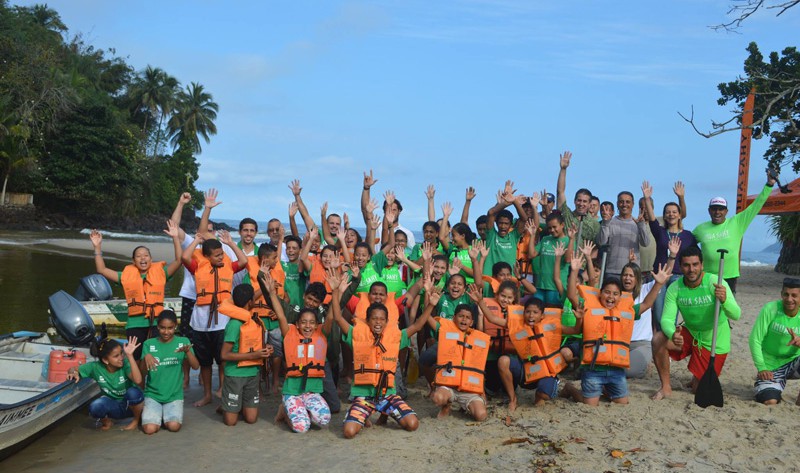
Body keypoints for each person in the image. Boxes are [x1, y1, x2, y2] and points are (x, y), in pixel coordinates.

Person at [330, 270, 430, 439]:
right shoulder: (357, 334)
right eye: (374, 319)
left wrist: (431, 304)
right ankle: (364, 414)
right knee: (348, 432)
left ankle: (384, 412)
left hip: (387, 394)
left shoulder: (395, 337)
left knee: (412, 425)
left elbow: (419, 325)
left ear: (386, 321)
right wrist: (335, 292)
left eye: (382, 319)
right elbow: (338, 318)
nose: (378, 322)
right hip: (364, 395)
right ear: (368, 320)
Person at [562, 254, 668, 406]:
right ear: (600, 293)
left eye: (615, 294)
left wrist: (658, 284)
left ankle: (604, 389)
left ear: (620, 297)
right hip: (593, 369)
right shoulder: (589, 307)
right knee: (590, 404)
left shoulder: (625, 311)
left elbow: (646, 304)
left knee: (622, 402)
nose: (611, 297)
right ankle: (570, 389)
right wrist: (574, 271)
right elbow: (572, 295)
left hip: (616, 371)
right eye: (607, 292)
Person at [89, 222, 182, 363]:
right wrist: (97, 247)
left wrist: (175, 237)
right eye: (139, 256)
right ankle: (138, 384)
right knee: (137, 359)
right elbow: (102, 269)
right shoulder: (125, 275)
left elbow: (179, 260)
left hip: (157, 323)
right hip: (135, 324)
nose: (143, 258)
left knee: (156, 358)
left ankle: (153, 384)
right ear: (133, 260)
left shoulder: (162, 273)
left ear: (151, 259)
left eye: (146, 255)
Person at [476, 290, 580, 411]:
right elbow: (492, 319)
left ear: (542, 315)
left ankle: (542, 394)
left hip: (546, 371)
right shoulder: (517, 325)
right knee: (503, 360)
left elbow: (575, 331)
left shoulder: (552, 326)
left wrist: (579, 319)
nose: (531, 315)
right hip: (525, 371)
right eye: (528, 312)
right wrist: (480, 301)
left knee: (543, 396)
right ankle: (513, 398)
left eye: (535, 312)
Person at [659, 246, 741, 394]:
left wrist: (724, 300)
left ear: (702, 265)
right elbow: (666, 319)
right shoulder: (675, 287)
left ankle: (697, 378)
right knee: (658, 339)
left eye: (695, 264)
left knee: (699, 390)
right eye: (686, 265)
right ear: (680, 267)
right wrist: (672, 334)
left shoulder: (715, 282)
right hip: (691, 334)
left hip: (714, 341)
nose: (691, 269)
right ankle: (665, 386)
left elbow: (736, 315)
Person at [641, 181, 696, 399]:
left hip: (681, 280)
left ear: (680, 214)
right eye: (668, 212)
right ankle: (666, 352)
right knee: (661, 319)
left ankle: (676, 349)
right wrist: (646, 198)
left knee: (679, 319)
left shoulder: (688, 236)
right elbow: (652, 217)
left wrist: (682, 197)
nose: (671, 214)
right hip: (661, 279)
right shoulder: (661, 233)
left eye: (674, 212)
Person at [181, 228, 249, 408]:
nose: (221, 257)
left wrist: (231, 243)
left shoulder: (227, 265)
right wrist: (195, 241)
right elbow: (184, 258)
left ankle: (222, 390)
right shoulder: (197, 266)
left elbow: (243, 261)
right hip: (201, 322)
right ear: (207, 256)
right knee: (205, 362)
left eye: (221, 254)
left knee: (223, 359)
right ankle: (207, 395)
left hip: (223, 319)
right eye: (217, 255)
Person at [261, 271, 334, 433]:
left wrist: (336, 292)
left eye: (311, 323)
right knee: (302, 428)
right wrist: (272, 293)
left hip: (311, 391)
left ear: (316, 325)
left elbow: (330, 318)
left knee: (323, 420)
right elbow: (280, 315)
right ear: (298, 324)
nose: (307, 326)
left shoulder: (320, 334)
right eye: (304, 323)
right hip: (293, 390)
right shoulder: (290, 332)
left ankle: (300, 410)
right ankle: (285, 411)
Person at [692, 170, 776, 293]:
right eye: (714, 209)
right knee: (708, 309)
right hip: (707, 276)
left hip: (729, 276)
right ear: (709, 210)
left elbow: (756, 205)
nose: (717, 212)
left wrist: (769, 185)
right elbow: (687, 243)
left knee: (727, 309)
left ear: (726, 211)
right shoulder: (700, 229)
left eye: (721, 209)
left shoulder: (737, 223)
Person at [426, 292, 489, 421]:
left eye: (467, 317)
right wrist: (431, 304)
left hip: (469, 389)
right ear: (454, 318)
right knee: (438, 398)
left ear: (472, 322)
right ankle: (446, 406)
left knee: (481, 416)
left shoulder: (478, 337)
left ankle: (466, 406)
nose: (464, 320)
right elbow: (426, 318)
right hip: (449, 385)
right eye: (461, 316)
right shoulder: (444, 331)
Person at [218, 285, 273, 426]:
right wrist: (254, 355)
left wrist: (265, 349)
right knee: (230, 422)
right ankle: (226, 405)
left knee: (251, 419)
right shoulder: (235, 324)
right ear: (251, 301)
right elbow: (224, 355)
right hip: (235, 375)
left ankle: (236, 404)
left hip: (252, 374)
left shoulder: (254, 320)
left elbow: (253, 346)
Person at [67, 337, 144, 431]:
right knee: (95, 406)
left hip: (131, 405)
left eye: (121, 354)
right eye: (116, 356)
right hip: (114, 406)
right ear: (105, 360)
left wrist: (130, 356)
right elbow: (73, 368)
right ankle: (107, 422)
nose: (121, 358)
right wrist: (73, 373)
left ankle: (136, 421)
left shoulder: (125, 364)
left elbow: (138, 380)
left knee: (133, 393)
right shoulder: (95, 367)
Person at [141, 310, 199, 434]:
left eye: (170, 328)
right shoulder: (148, 344)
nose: (166, 332)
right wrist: (145, 358)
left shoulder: (183, 342)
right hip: (153, 394)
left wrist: (187, 352)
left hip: (174, 395)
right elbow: (143, 373)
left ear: (175, 326)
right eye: (162, 328)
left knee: (174, 427)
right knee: (149, 429)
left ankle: (162, 415)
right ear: (157, 326)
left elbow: (195, 366)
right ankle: (156, 416)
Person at [749, 278, 800, 405]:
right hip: (770, 367)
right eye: (786, 294)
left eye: (794, 295)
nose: (789, 299)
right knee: (770, 400)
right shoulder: (770, 309)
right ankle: (769, 387)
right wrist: (761, 368)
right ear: (781, 294)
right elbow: (755, 339)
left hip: (793, 363)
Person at [597, 191, 651, 280]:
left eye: (627, 202)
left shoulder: (637, 223)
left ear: (633, 204)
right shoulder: (610, 222)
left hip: (632, 272)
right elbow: (601, 242)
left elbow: (645, 243)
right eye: (621, 201)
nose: (624, 204)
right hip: (612, 271)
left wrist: (641, 225)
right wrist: (605, 223)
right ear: (617, 204)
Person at [481, 181, 530, 276]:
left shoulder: (513, 236)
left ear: (511, 224)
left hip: (508, 279)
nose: (503, 226)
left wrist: (514, 201)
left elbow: (524, 218)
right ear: (496, 223)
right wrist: (506, 203)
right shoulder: (491, 235)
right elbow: (491, 213)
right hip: (491, 278)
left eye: (506, 224)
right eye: (500, 223)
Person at [556, 150, 599, 249]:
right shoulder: (566, 215)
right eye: (579, 200)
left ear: (589, 204)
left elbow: (596, 248)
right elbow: (560, 192)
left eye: (585, 201)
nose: (581, 204)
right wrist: (563, 169)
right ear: (574, 201)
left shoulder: (594, 224)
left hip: (581, 263)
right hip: (563, 262)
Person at [619, 262, 655, 379]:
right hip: (620, 344)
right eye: (625, 275)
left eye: (631, 275)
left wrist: (672, 256)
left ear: (637, 279)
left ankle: (646, 366)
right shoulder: (615, 295)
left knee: (625, 372)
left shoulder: (645, 290)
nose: (627, 278)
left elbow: (662, 279)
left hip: (641, 344)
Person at [528, 214, 572, 305]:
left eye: (554, 227)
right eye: (549, 228)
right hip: (540, 285)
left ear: (562, 225)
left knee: (552, 315)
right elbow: (531, 255)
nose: (552, 230)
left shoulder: (568, 241)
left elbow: (568, 260)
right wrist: (532, 235)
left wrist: (572, 239)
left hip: (556, 287)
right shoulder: (545, 239)